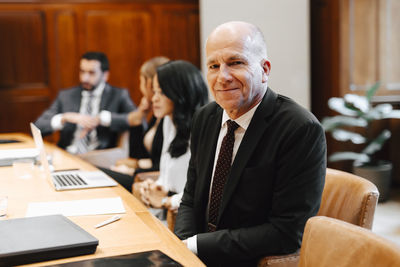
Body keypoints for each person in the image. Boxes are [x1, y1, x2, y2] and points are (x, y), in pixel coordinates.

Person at [174, 21, 327, 266]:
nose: (222, 77)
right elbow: (191, 198)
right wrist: (180, 249)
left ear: (264, 69)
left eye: (235, 63)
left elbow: (287, 231)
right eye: (213, 66)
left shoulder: (300, 129)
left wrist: (194, 246)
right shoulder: (205, 117)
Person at [135, 60, 209, 215]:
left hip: (187, 216)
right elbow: (165, 176)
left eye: (161, 93)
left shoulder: (203, 129)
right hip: (167, 211)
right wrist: (155, 187)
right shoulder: (169, 121)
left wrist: (165, 201)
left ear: (180, 94)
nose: (154, 99)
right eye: (154, 92)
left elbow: (204, 194)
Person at [34, 51, 135, 154]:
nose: (84, 78)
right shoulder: (66, 96)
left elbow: (137, 121)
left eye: (91, 73)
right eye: (82, 72)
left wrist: (103, 118)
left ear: (105, 75)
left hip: (100, 158)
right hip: (68, 155)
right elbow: (38, 127)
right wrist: (64, 117)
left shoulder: (118, 95)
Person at [112, 56, 170, 176]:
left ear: (150, 84)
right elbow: (136, 155)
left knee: (104, 173)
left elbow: (160, 166)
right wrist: (140, 117)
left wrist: (132, 170)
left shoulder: (167, 115)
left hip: (153, 178)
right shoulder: (156, 115)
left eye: (141, 82)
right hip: (147, 174)